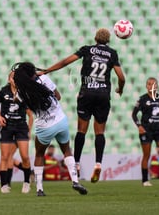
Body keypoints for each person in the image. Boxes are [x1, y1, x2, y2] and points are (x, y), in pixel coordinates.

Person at [41, 28, 125, 183]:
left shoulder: (87, 49)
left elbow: (66, 61)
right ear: (108, 40)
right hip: (103, 95)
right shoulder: (112, 53)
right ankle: (98, 164)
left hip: (86, 94)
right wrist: (121, 88)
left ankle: (77, 164)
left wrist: (47, 70)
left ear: (95, 38)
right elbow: (121, 76)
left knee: (81, 130)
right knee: (100, 132)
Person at [13, 62, 87, 196]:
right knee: (67, 150)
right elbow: (58, 96)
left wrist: (16, 86)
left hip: (44, 126)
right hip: (60, 121)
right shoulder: (45, 79)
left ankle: (39, 189)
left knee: (39, 155)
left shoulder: (22, 92)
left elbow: (16, 101)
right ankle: (75, 181)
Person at [0, 71, 33, 194]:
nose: (14, 79)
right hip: (7, 127)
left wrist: (29, 130)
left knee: (25, 156)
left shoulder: (24, 92)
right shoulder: (3, 92)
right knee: (5, 156)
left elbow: (30, 115)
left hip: (21, 127)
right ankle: (4, 185)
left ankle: (26, 182)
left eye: (17, 77)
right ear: (9, 79)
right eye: (12, 77)